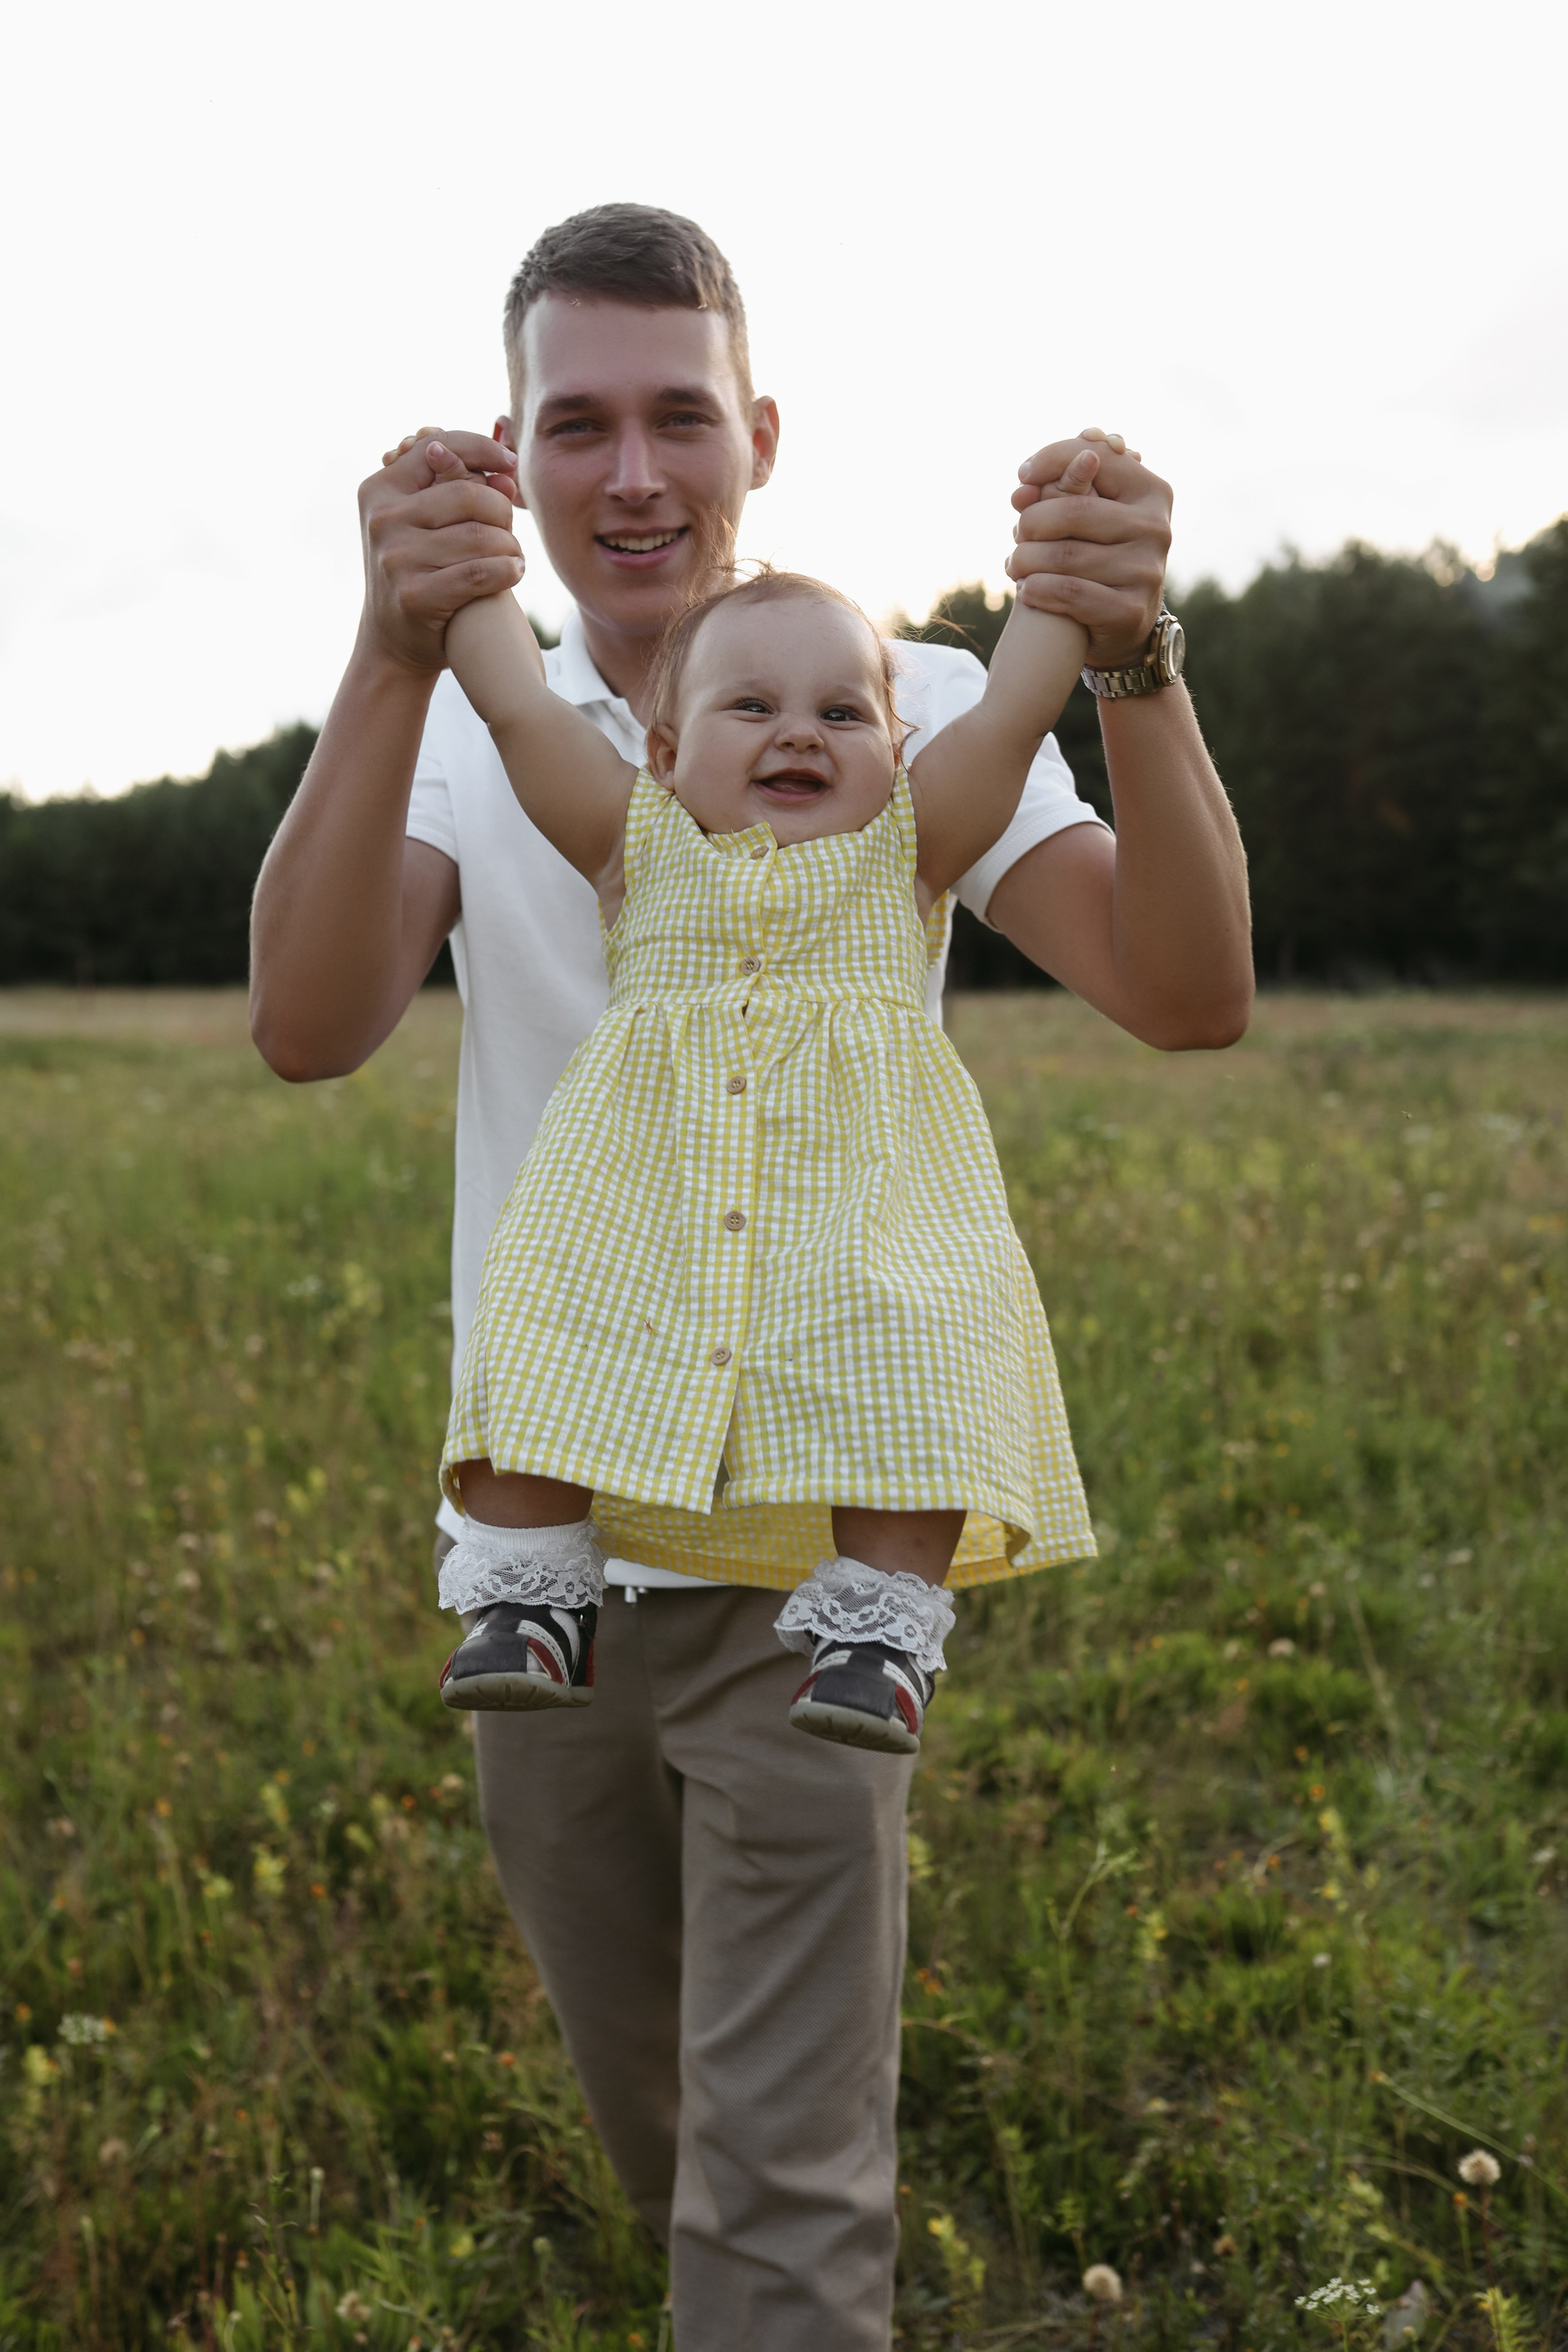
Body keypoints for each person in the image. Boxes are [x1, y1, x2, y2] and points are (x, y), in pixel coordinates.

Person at [250, 206, 1250, 2351]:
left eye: (679, 417)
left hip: (815, 1557)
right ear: (514, 454)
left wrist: (1131, 653)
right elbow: (308, 1027)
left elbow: (1187, 991)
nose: (633, 473)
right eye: (576, 425)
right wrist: (392, 643)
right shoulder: (483, 726)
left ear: (759, 433)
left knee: (780, 2189)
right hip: (547, 1559)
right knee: (664, 2122)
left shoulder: (905, 704)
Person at [432, 552, 1098, 1750]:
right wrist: (467, 555)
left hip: (860, 1216)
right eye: (751, 706)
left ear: (896, 753)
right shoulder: (631, 844)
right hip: (638, 1210)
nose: (798, 733)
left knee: (910, 1367)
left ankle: (879, 1633)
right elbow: (517, 705)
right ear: (663, 753)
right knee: (544, 1328)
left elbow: (1010, 714)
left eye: (843, 714)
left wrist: (1063, 564)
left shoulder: (909, 851)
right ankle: (530, 1600)